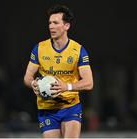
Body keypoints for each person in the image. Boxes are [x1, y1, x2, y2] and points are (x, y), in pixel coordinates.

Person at [24, 4, 93, 138]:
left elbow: (89, 83)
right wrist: (33, 84)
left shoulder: (78, 50)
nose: (51, 26)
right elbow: (27, 77)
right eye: (50, 23)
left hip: (70, 106)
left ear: (66, 26)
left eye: (55, 23)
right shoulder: (39, 48)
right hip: (46, 108)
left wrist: (66, 87)